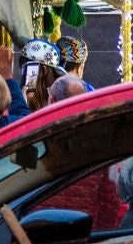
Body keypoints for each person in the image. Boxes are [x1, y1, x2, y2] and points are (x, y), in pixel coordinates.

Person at [40, 76, 127, 231]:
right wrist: (98, 237)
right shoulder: (100, 143)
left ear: (52, 100)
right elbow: (111, 203)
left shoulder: (37, 137)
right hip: (81, 236)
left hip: (39, 233)